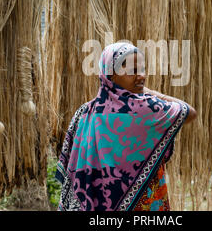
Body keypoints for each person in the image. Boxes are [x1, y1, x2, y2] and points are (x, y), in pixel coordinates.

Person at [55, 42, 197, 211]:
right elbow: (189, 112)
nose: (141, 76)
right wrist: (151, 92)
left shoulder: (85, 112)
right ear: (111, 74)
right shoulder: (148, 108)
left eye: (142, 69)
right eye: (132, 71)